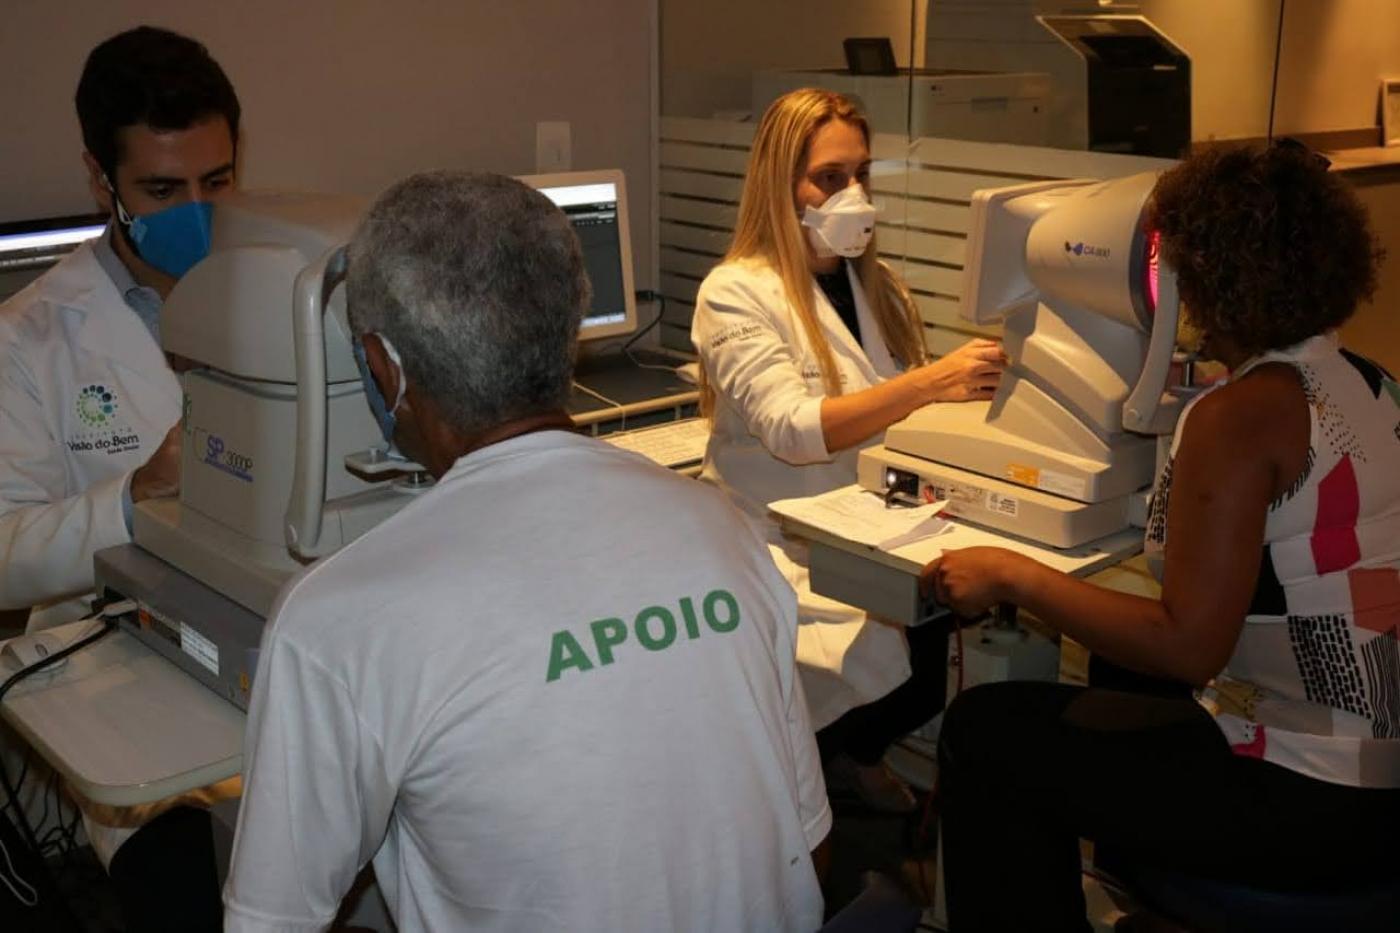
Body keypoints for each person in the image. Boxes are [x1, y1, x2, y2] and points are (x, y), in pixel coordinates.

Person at [224, 171, 831, 931]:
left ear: (384, 366)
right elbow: (810, 847)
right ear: (567, 326)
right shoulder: (723, 529)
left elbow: (269, 922)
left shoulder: (336, 620)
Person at [926, 143, 1400, 932]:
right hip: (1378, 767)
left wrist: (1013, 574)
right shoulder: (1368, 380)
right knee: (1112, 668)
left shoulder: (1239, 418)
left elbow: (1188, 647)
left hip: (1311, 799)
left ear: (1206, 274)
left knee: (987, 734)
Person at [691, 88, 1003, 811]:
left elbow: (900, 413)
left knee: (930, 657)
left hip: (876, 525)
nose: (852, 193)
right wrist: (931, 381)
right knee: (889, 665)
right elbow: (795, 431)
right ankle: (812, 784)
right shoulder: (736, 292)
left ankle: (849, 755)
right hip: (778, 536)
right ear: (782, 183)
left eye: (861, 174)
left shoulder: (878, 288)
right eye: (829, 177)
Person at [0, 26, 241, 929]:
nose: (198, 211)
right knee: (198, 887)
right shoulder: (28, 339)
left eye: (217, 182)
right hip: (121, 680)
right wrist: (134, 499)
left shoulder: (284, 294)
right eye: (162, 189)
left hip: (281, 649)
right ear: (101, 181)